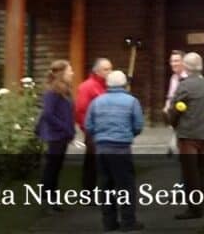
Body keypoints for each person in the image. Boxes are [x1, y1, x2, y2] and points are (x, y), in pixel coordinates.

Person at [85, 70, 144, 232]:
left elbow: (88, 125)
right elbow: (138, 125)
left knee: (106, 185)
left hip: (102, 148)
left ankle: (109, 222)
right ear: (124, 84)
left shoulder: (97, 102)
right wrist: (128, 134)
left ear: (107, 84)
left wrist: (99, 135)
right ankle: (128, 221)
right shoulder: (132, 101)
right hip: (121, 148)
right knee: (125, 186)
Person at [168, 52, 204, 220]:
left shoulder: (185, 85)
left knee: (190, 173)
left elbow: (175, 109)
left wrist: (173, 121)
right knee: (201, 171)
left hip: (188, 135)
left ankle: (194, 209)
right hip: (203, 134)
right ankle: (200, 204)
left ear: (186, 67)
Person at [36, 59, 75, 213]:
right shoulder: (52, 92)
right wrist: (65, 127)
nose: (72, 73)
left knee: (56, 168)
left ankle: (53, 200)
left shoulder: (64, 91)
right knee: (51, 169)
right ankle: (46, 202)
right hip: (55, 136)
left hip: (62, 136)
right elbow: (48, 114)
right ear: (62, 73)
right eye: (69, 70)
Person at [75, 57, 111, 190]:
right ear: (97, 71)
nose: (109, 72)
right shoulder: (87, 87)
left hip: (106, 131)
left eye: (110, 69)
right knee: (92, 164)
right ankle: (88, 193)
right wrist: (87, 129)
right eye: (106, 69)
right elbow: (80, 110)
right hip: (93, 132)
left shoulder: (107, 86)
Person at [163, 50, 186, 156]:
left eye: (176, 61)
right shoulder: (174, 78)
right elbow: (171, 95)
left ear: (183, 62)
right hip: (176, 114)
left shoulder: (188, 78)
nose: (173, 64)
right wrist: (167, 106)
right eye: (172, 61)